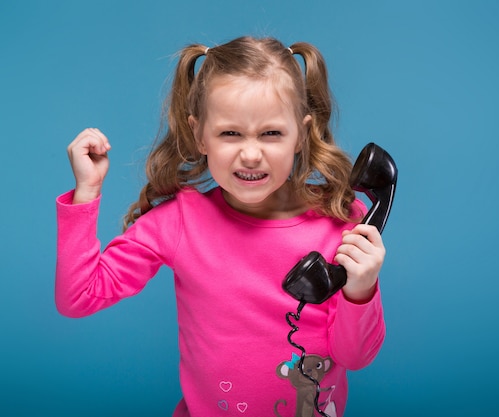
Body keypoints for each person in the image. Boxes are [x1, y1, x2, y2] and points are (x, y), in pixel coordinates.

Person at [56, 36, 386, 417]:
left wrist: (361, 289)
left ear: (301, 134)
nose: (250, 153)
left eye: (271, 133)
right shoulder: (181, 221)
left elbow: (356, 357)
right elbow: (78, 297)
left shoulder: (340, 221)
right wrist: (87, 192)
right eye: (230, 133)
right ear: (199, 135)